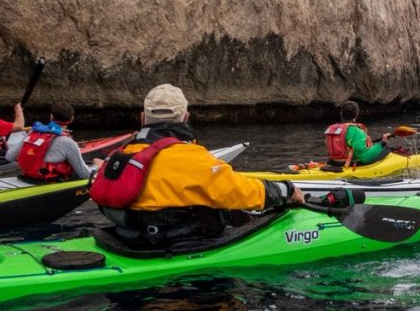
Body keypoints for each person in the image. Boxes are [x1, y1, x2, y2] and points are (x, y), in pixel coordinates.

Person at [94, 84, 303, 243]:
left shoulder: (120, 155)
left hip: (127, 236)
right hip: (171, 243)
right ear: (186, 117)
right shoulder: (191, 158)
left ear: (142, 119)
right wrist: (285, 189)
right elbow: (238, 191)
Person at [7, 102, 103, 182]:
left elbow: (9, 156)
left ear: (51, 116)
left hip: (26, 176)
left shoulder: (33, 131)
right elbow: (85, 174)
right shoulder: (68, 143)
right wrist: (97, 166)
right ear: (71, 119)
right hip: (47, 182)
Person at [324, 100, 391, 168]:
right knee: (387, 150)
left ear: (341, 114)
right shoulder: (357, 131)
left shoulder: (331, 129)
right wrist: (383, 143)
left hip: (333, 162)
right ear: (356, 114)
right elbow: (365, 157)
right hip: (349, 164)